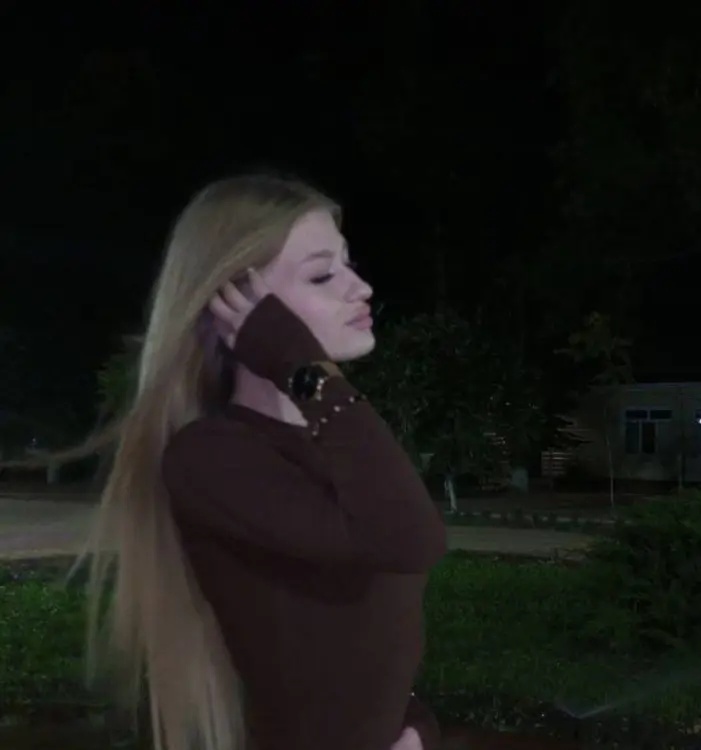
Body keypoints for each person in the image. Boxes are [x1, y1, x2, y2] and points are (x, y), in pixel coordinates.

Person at [74, 174, 447, 750]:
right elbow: (409, 540)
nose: (361, 287)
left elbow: (369, 650)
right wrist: (300, 364)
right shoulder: (211, 458)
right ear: (235, 309)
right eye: (322, 275)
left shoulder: (338, 445)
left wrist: (418, 731)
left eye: (348, 264)